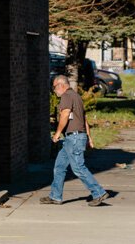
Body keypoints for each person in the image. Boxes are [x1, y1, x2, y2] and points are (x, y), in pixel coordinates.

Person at [42, 74, 111, 207]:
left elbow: (65, 114)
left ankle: (99, 192)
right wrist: (89, 138)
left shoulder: (67, 96)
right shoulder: (76, 96)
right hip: (73, 138)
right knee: (60, 166)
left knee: (78, 167)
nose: (54, 90)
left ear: (61, 85)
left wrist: (57, 134)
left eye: (54, 87)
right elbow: (84, 119)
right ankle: (55, 196)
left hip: (74, 138)